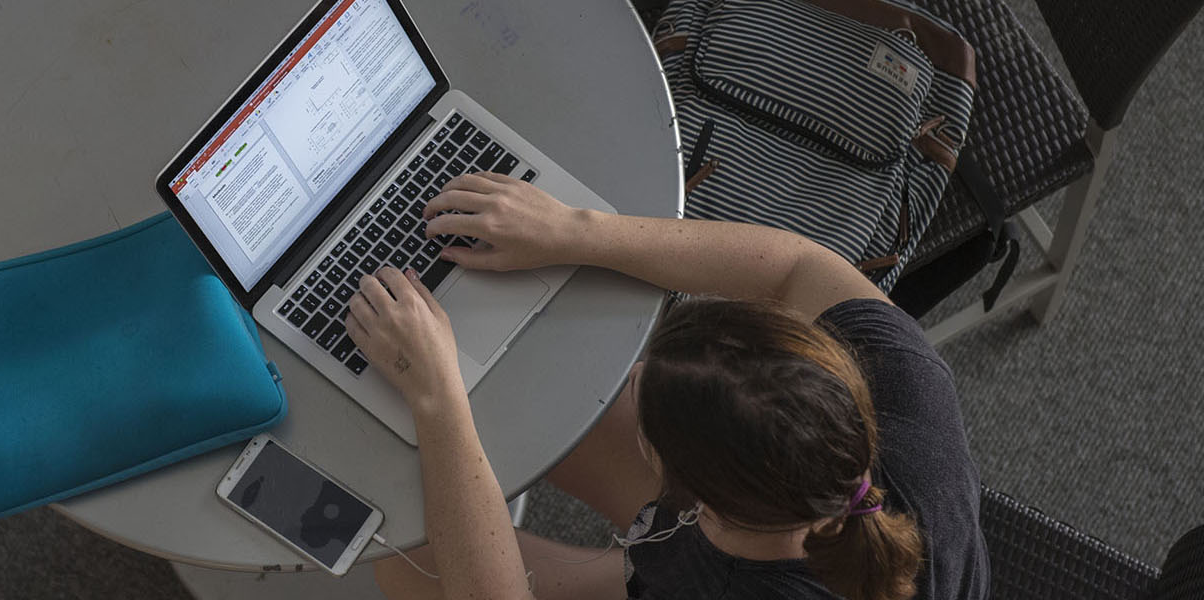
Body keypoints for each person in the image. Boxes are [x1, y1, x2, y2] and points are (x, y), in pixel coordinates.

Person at [346, 172, 986, 600]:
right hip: (704, 559)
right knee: (537, 404)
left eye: (651, 419)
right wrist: (578, 229)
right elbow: (798, 265)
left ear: (702, 504)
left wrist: (437, 398)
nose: (633, 375)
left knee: (406, 563)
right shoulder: (907, 390)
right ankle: (627, 569)